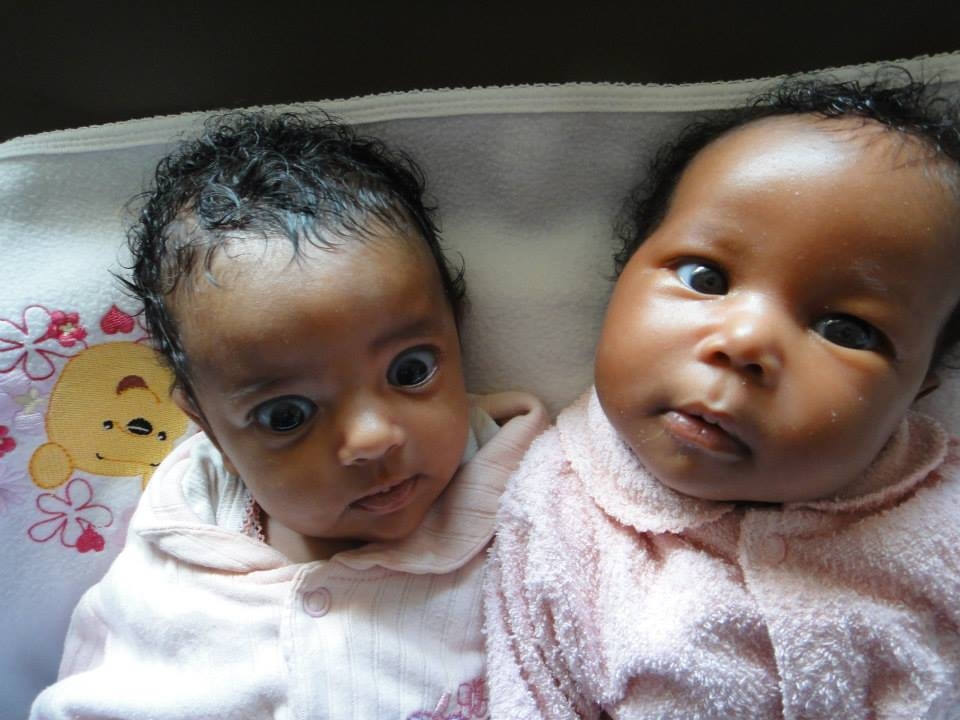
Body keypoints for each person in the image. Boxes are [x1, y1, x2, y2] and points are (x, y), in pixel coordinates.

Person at [31, 111, 547, 719]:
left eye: (410, 371)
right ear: (210, 429)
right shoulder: (179, 550)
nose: (372, 438)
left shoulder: (537, 509)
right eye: (286, 416)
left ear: (456, 335)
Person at [484, 72, 960, 719]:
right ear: (621, 275)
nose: (744, 341)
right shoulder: (554, 511)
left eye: (845, 329)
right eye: (705, 278)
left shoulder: (939, 519)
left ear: (918, 389)